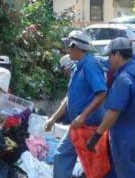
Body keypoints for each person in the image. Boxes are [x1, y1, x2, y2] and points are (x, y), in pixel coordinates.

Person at [43, 30, 107, 178]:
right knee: (62, 156)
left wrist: (83, 116)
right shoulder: (77, 66)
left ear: (75, 47)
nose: (67, 50)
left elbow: (102, 93)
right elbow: (69, 98)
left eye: (69, 47)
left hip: (89, 125)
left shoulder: (90, 65)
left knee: (93, 164)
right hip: (78, 124)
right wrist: (53, 119)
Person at [86, 37, 135, 178]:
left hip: (124, 137)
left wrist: (96, 136)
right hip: (133, 132)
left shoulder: (123, 79)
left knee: (129, 173)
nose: (108, 59)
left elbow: (113, 113)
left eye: (110, 55)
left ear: (118, 54)